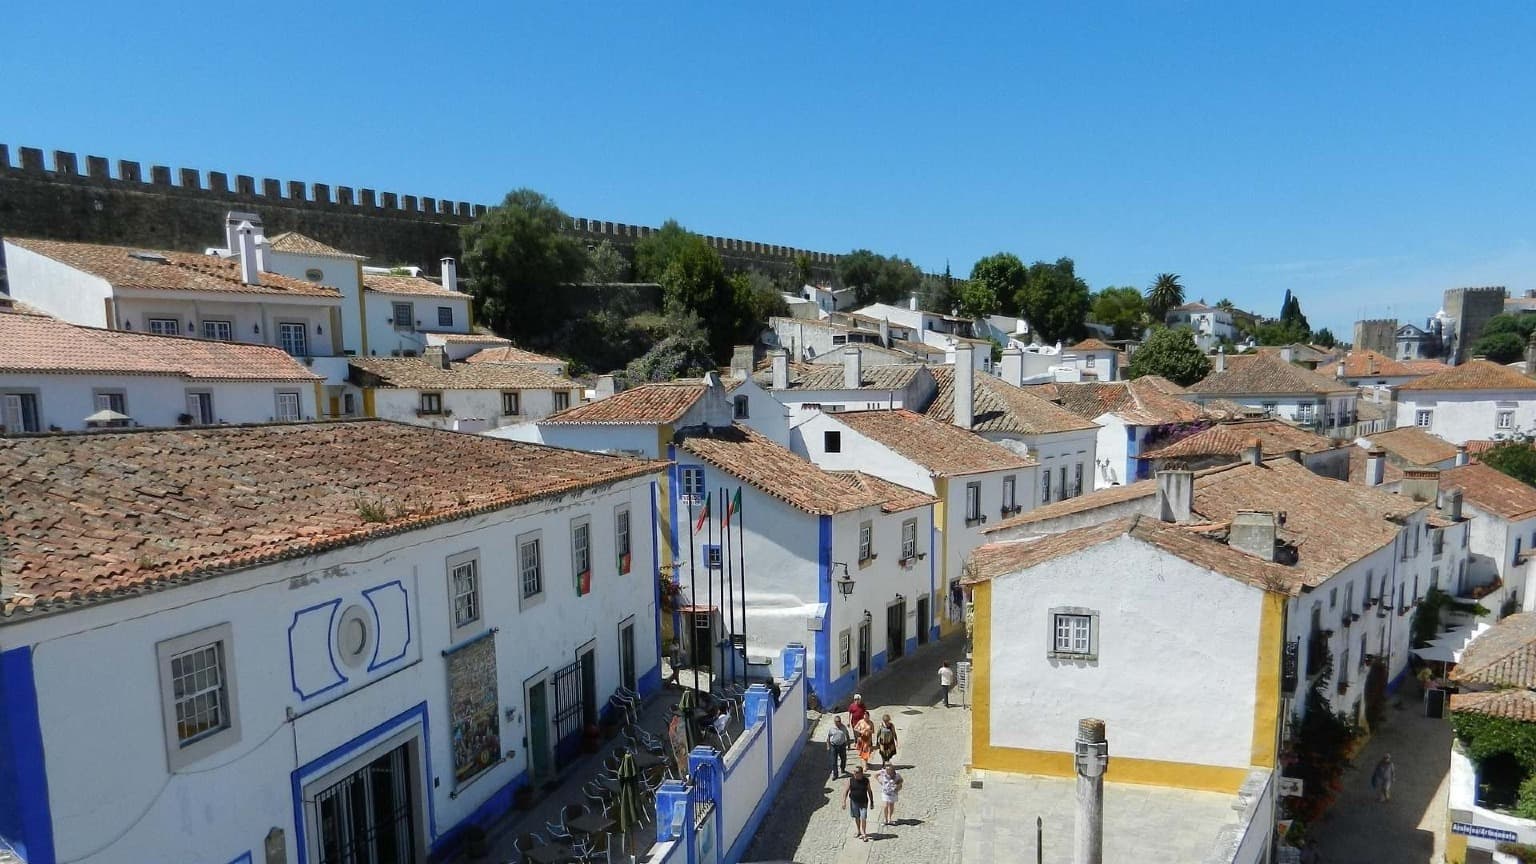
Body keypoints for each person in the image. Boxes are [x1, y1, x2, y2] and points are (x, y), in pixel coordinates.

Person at [843, 766, 872, 841]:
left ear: (861, 773)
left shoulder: (866, 780)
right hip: (854, 802)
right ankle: (859, 831)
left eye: (856, 772)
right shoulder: (851, 780)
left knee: (863, 817)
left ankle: (864, 833)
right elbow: (846, 791)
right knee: (857, 817)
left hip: (863, 802)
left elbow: (869, 791)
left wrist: (872, 801)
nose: (854, 774)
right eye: (854, 772)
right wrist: (844, 802)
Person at [827, 715, 850, 779]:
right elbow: (828, 737)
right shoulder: (831, 729)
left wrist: (849, 745)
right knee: (834, 761)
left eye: (839, 721)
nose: (839, 722)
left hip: (842, 745)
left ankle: (842, 768)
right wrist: (828, 746)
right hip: (834, 746)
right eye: (837, 721)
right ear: (834, 722)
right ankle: (835, 774)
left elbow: (847, 736)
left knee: (844, 759)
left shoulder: (843, 727)